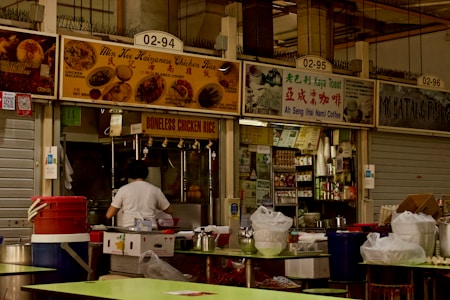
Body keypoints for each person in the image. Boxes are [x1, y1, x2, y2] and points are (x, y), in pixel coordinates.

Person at [106, 159, 173, 228]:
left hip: (130, 227)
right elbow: (170, 210)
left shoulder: (123, 190)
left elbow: (109, 214)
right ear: (146, 173)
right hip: (150, 227)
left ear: (129, 173)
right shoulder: (155, 190)